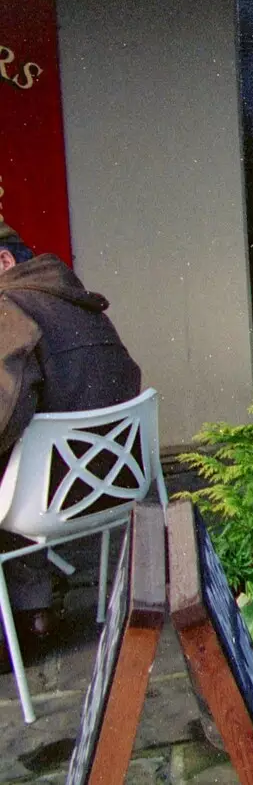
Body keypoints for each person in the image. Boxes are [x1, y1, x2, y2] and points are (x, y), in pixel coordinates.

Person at [0, 217, 142, 650]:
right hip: (113, 485)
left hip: (53, 497)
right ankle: (34, 610)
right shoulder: (80, 303)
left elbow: (6, 411)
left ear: (3, 261)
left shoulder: (10, 306)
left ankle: (26, 619)